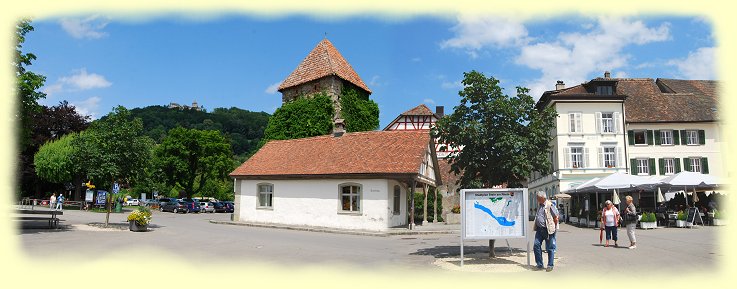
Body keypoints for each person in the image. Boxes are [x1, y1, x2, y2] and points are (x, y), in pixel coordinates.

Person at [533, 191, 559, 272]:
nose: (537, 199)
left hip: (548, 230)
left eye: (538, 198)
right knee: (536, 245)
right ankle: (539, 264)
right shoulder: (540, 205)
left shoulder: (549, 205)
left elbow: (556, 217)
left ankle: (550, 265)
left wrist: (553, 228)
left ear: (542, 198)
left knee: (550, 248)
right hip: (539, 229)